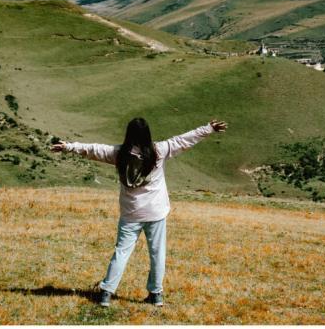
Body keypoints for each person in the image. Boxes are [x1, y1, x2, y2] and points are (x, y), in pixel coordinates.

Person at [50, 117, 228, 307]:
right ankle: (156, 294)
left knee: (121, 252)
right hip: (155, 212)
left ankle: (106, 293)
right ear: (147, 134)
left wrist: (68, 146)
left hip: (131, 213)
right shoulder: (160, 150)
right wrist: (208, 128)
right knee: (157, 254)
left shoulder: (119, 154)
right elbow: (184, 140)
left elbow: (93, 149)